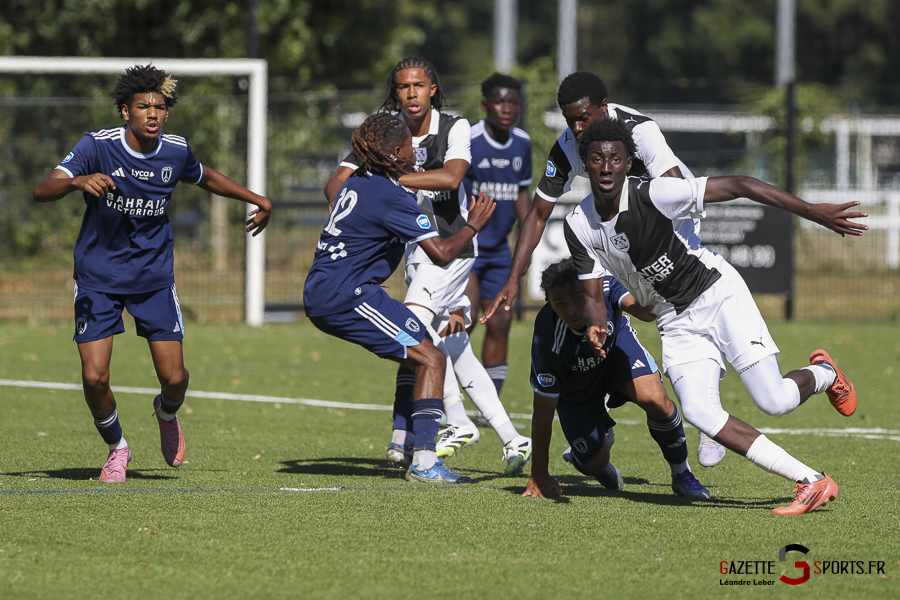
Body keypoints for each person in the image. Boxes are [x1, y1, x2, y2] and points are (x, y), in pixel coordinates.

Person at [563, 117, 867, 515]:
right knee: (699, 411)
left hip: (717, 295)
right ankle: (811, 481)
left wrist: (811, 210)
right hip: (674, 319)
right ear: (584, 163)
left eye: (615, 159)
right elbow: (591, 294)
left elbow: (740, 185)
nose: (606, 167)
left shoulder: (655, 193)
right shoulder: (577, 224)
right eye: (597, 159)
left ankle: (826, 374)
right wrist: (598, 325)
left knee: (774, 401)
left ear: (627, 162)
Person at [32, 65, 272, 483]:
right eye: (143, 106)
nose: (153, 113)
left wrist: (256, 198)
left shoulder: (175, 150)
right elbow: (42, 189)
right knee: (94, 376)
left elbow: (206, 177)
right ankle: (117, 448)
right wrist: (78, 181)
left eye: (160, 107)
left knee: (175, 378)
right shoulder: (96, 146)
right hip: (98, 278)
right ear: (126, 111)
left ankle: (166, 412)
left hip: (153, 279)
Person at [482, 70, 725, 468]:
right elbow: (538, 214)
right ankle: (602, 414)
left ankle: (707, 417)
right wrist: (513, 277)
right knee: (637, 310)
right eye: (570, 120)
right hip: (623, 229)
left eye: (585, 118)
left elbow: (675, 186)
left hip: (673, 223)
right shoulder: (567, 147)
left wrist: (647, 248)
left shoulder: (640, 131)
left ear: (604, 109)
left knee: (681, 313)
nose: (578, 128)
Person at [324, 57, 532, 474]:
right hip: (417, 252)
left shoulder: (454, 127)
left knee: (413, 340)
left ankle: (429, 434)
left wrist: (386, 181)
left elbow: (452, 178)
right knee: (451, 347)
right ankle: (512, 438)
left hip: (450, 247)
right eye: (403, 87)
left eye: (419, 85)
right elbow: (335, 186)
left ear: (433, 88)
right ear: (394, 92)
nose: (412, 93)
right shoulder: (384, 130)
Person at [305, 112, 496, 483]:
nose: (415, 150)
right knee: (432, 358)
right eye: (409, 144)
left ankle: (402, 440)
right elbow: (441, 252)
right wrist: (473, 224)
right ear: (396, 151)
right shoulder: (393, 196)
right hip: (348, 295)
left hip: (329, 288)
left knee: (418, 355)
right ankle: (425, 463)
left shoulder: (359, 180)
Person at [522, 258, 709, 500]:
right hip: (576, 389)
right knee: (592, 465)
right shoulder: (547, 339)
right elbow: (543, 410)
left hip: (616, 355)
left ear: (590, 290)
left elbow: (634, 304)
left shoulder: (603, 285)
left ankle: (682, 474)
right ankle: (596, 454)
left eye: (578, 299)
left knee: (655, 400)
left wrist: (645, 308)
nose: (571, 310)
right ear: (549, 304)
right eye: (560, 304)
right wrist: (539, 473)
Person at [462, 72, 532, 404]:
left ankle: (487, 404)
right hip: (467, 247)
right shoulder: (470, 140)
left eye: (513, 102)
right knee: (465, 317)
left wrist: (527, 241)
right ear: (485, 104)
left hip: (500, 251)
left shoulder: (522, 142)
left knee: (501, 320)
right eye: (500, 101)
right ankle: (445, 396)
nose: (507, 108)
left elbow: (521, 195)